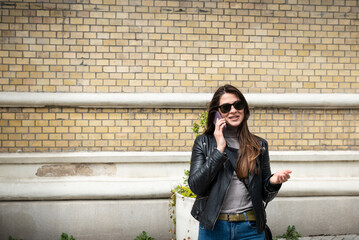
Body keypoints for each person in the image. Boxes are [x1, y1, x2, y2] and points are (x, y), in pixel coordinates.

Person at [188, 84, 292, 240]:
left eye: (238, 105)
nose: (233, 110)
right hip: (214, 229)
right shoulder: (204, 143)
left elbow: (265, 195)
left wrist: (273, 181)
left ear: (244, 108)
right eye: (225, 107)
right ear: (217, 113)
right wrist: (219, 149)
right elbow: (196, 186)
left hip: (250, 228)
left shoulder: (259, 145)